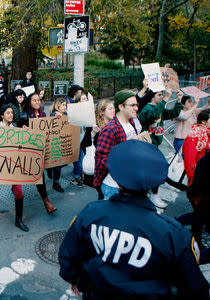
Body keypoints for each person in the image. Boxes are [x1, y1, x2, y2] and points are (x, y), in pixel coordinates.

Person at [58, 139, 209, 298]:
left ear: (116, 178)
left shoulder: (91, 213)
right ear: (153, 184)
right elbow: (196, 289)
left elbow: (68, 257)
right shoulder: (174, 235)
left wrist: (78, 279)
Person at [94, 90, 139, 200]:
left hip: (128, 182)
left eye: (137, 105)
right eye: (132, 105)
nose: (136, 108)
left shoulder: (131, 122)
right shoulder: (110, 129)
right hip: (112, 186)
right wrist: (120, 166)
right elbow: (101, 158)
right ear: (121, 107)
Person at [19, 93, 57, 214]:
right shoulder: (24, 115)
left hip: (42, 149)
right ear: (29, 101)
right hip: (29, 151)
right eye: (34, 100)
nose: (37, 102)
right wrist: (23, 130)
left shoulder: (43, 114)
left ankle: (46, 201)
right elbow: (16, 133)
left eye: (38, 100)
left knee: (39, 175)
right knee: (39, 176)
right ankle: (46, 202)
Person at [183, 108, 210, 186]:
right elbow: (189, 160)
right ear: (203, 121)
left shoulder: (208, 133)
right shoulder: (194, 134)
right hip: (200, 175)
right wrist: (193, 179)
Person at [48, 98, 68, 193]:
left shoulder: (66, 115)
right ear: (58, 105)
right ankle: (56, 183)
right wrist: (56, 116)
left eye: (65, 105)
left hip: (63, 141)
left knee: (62, 163)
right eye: (63, 105)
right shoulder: (54, 114)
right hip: (55, 142)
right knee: (58, 165)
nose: (65, 107)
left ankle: (50, 168)